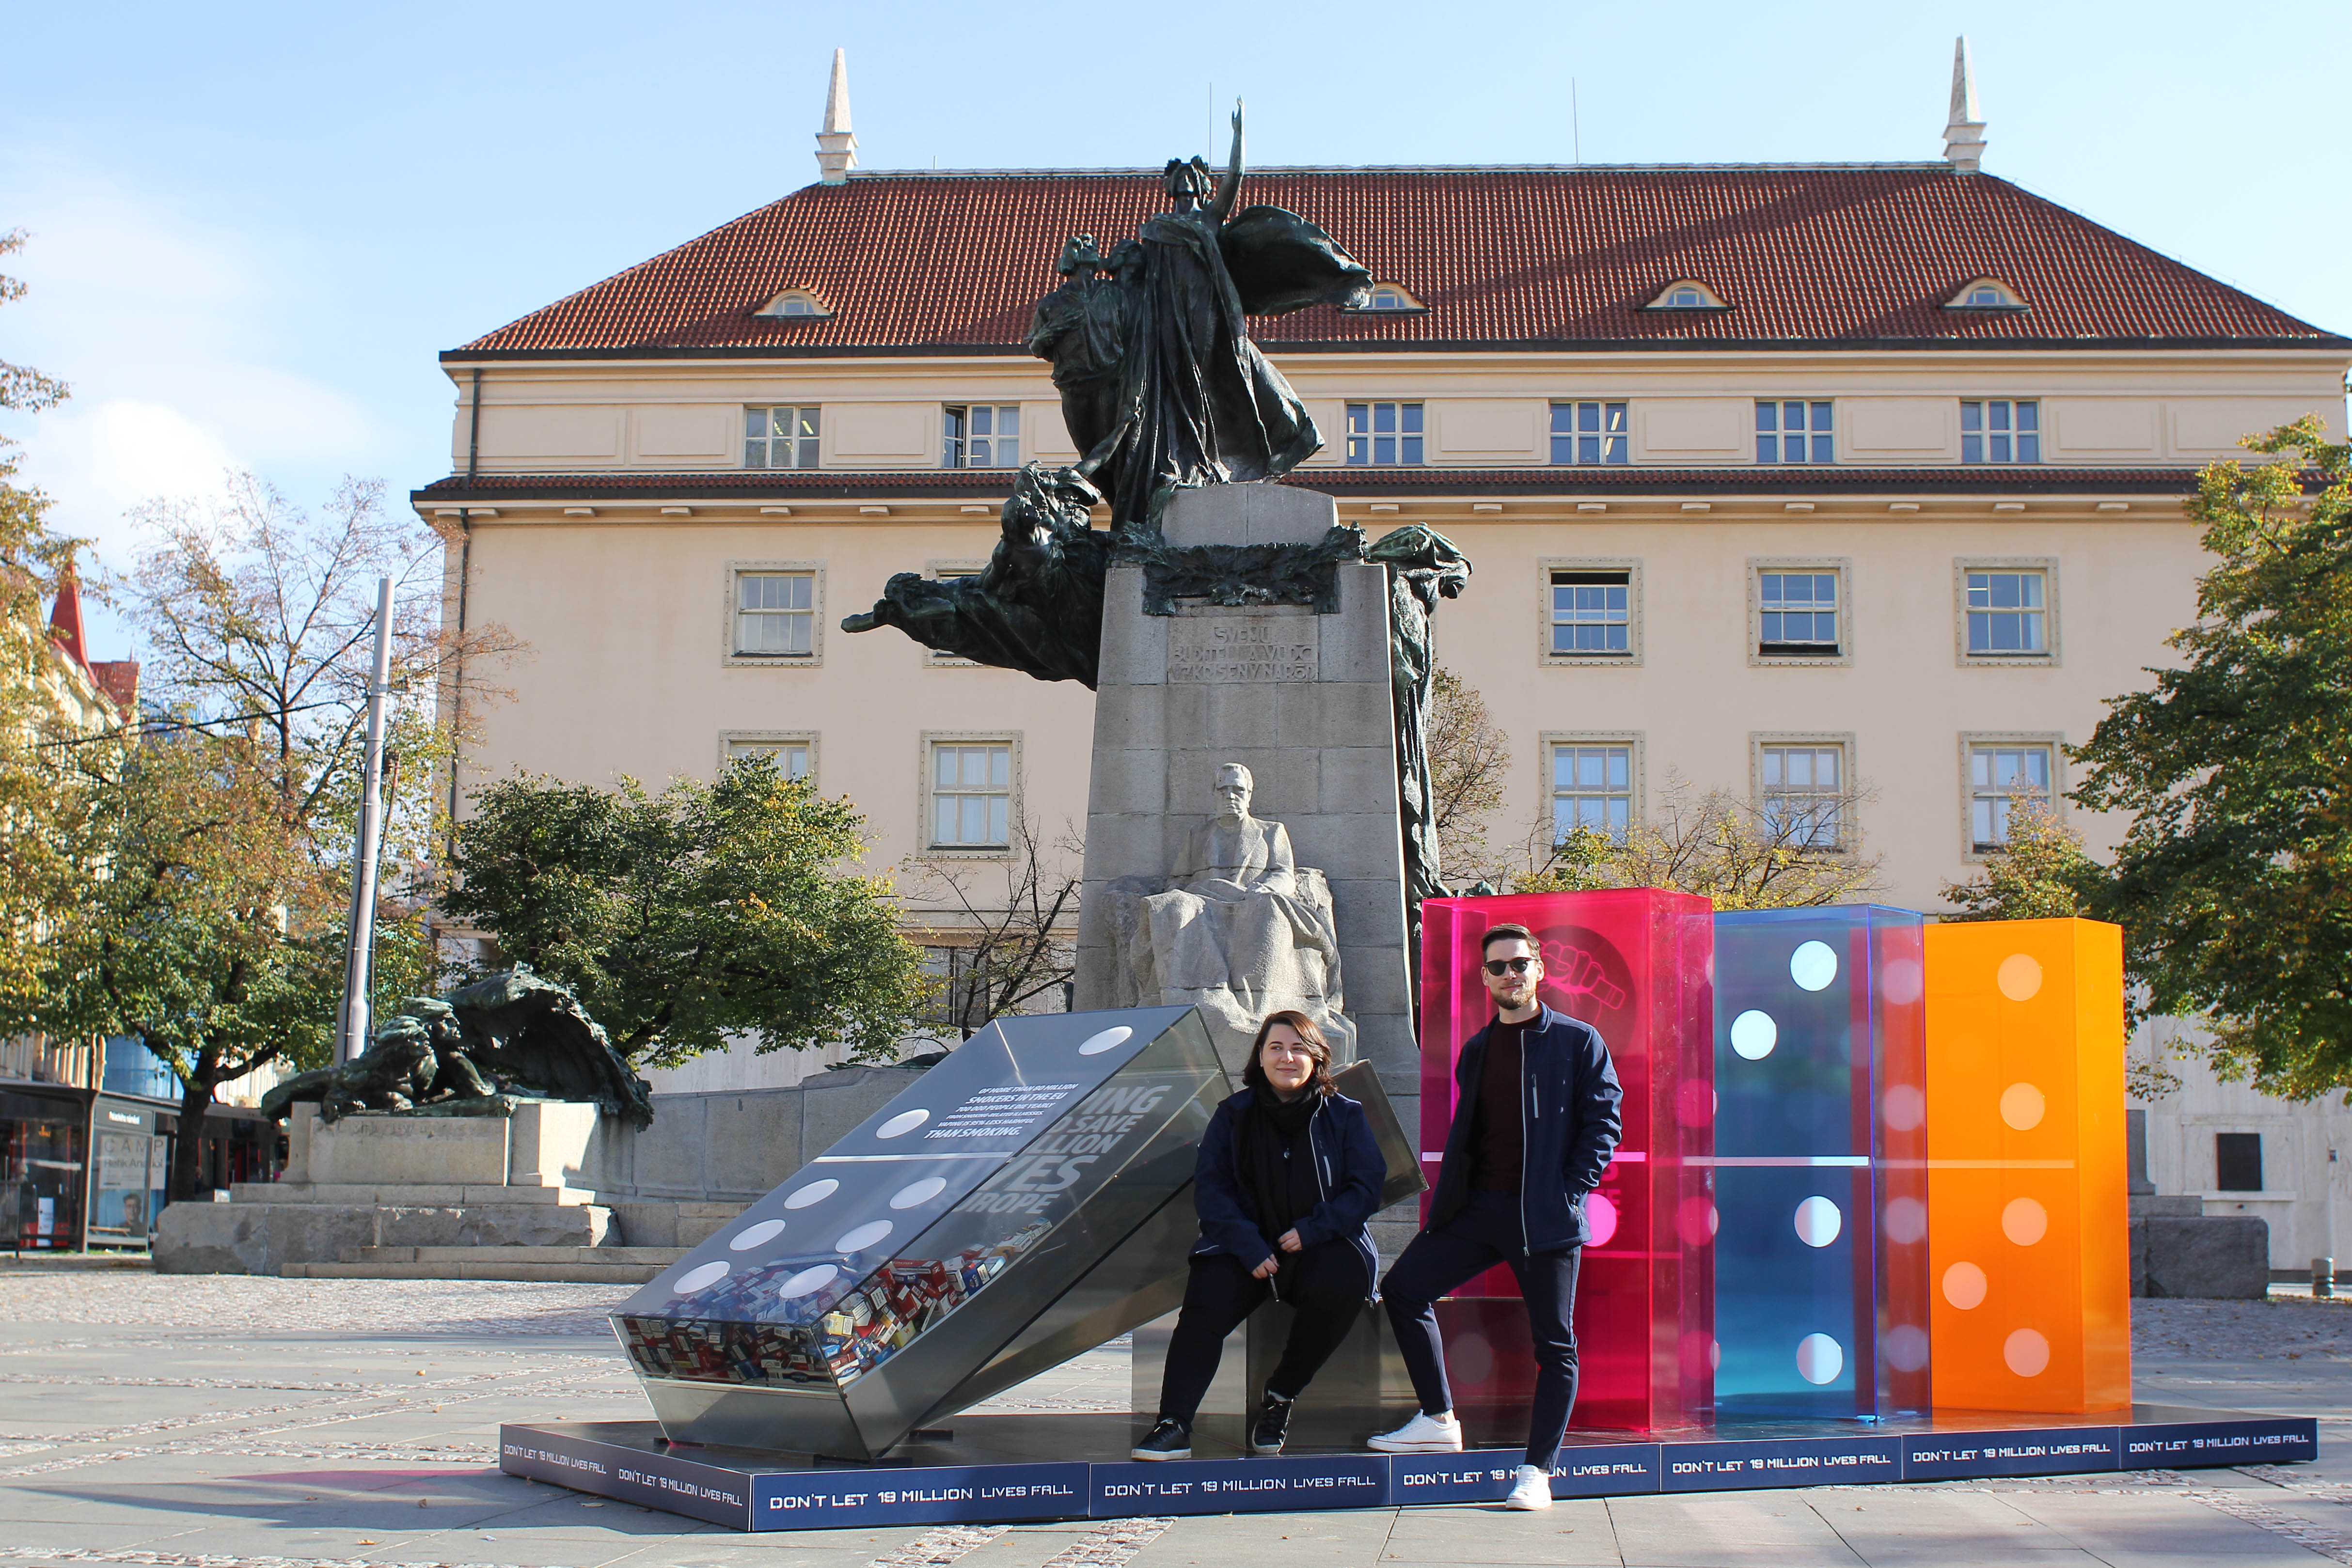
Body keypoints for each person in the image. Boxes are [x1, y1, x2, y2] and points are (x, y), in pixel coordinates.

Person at [1368, 923, 1623, 1513]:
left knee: (1554, 1344)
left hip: (1546, 1218)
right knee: (1403, 1289)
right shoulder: (1477, 1050)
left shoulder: (1578, 1041)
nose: (1511, 974)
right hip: (1479, 1208)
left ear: (1539, 969)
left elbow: (1603, 1124)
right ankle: (1437, 1418)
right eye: (1498, 967)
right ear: (1485, 979)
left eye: (1519, 963)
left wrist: (1568, 1190)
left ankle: (1537, 1471)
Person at [1131, 1009, 1386, 1460]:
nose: (1287, 1057)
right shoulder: (1233, 1115)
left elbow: (1365, 1186)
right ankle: (1173, 1423)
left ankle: (1280, 1397)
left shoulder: (1344, 1115)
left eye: (1297, 1048)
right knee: (1201, 1315)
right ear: (1261, 1057)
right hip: (1242, 1248)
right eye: (1276, 1048)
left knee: (1342, 1287)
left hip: (1318, 1244)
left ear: (1316, 1058)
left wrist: (1313, 1230)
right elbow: (1212, 1190)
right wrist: (1247, 1246)